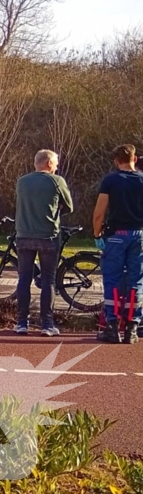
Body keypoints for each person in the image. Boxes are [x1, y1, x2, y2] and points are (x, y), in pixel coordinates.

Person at [13, 149, 73, 337]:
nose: (56, 167)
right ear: (48, 163)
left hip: (23, 234)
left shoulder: (22, 182)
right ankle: (47, 324)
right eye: (55, 163)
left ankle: (22, 322)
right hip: (48, 234)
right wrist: (55, 211)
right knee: (48, 280)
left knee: (24, 278)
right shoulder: (56, 181)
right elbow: (69, 206)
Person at [93, 144, 143, 344]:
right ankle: (132, 327)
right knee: (136, 281)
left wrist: (97, 234)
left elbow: (99, 213)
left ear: (116, 161)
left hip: (116, 235)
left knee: (112, 280)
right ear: (135, 159)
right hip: (139, 235)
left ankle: (112, 327)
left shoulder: (111, 181)